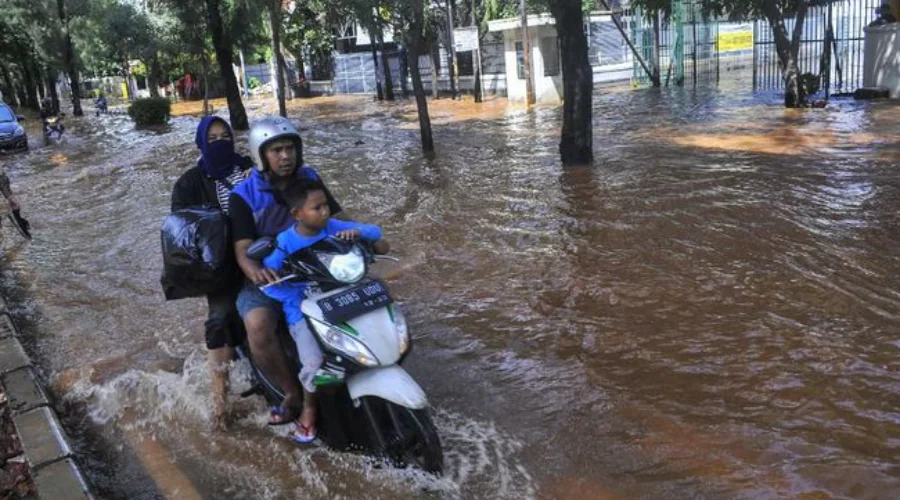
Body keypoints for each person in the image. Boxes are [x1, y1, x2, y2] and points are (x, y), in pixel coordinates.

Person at [229, 116, 345, 427]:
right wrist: (256, 271)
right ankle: (291, 392)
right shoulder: (243, 195)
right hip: (270, 275)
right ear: (260, 155)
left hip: (315, 267)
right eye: (277, 150)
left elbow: (336, 217)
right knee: (258, 324)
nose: (285, 156)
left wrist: (359, 237)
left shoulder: (309, 178)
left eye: (290, 148)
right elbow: (242, 250)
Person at [260, 179, 387, 442]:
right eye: (317, 208)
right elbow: (268, 283)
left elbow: (375, 231)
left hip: (340, 299)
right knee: (314, 361)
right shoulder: (285, 243)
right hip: (303, 311)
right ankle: (309, 407)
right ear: (297, 214)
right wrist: (297, 294)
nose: (325, 212)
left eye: (326, 205)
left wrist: (358, 233)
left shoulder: (333, 228)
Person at [168, 115, 251, 430]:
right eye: (212, 138)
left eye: (225, 136)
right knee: (219, 320)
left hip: (263, 252)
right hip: (221, 266)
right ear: (201, 143)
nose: (220, 142)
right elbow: (180, 229)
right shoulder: (189, 183)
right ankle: (220, 401)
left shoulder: (250, 168)